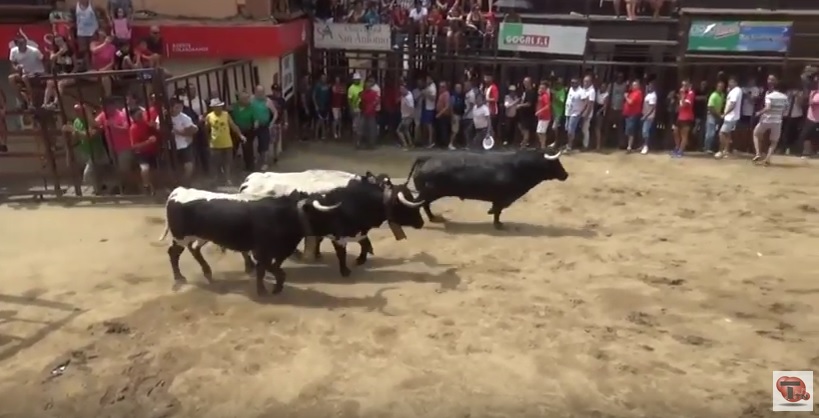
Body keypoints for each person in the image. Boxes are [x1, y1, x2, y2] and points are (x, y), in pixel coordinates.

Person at [64, 104, 106, 194]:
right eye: (75, 110)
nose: (77, 112)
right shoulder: (77, 121)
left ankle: (99, 189)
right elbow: (76, 137)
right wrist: (69, 133)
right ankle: (99, 190)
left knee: (88, 176)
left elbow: (90, 135)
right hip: (85, 151)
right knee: (94, 174)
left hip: (96, 151)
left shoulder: (91, 121)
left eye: (79, 110)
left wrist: (74, 131)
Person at [205, 98, 245, 185]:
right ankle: (217, 178)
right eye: (216, 107)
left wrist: (240, 135)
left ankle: (227, 178)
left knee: (227, 162)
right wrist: (208, 140)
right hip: (215, 144)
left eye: (220, 106)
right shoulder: (209, 116)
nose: (218, 108)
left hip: (227, 142)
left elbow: (233, 126)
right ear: (213, 108)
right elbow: (207, 129)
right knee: (216, 163)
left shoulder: (226, 115)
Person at [95, 98, 132, 190]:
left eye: (107, 106)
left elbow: (128, 129)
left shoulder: (122, 115)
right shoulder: (104, 115)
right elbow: (95, 123)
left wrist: (114, 127)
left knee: (123, 168)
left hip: (125, 147)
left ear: (113, 106)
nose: (105, 109)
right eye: (104, 107)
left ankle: (124, 187)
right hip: (112, 148)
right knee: (116, 167)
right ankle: (120, 187)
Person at [752, 75, 788, 165]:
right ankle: (767, 159)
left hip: (766, 119)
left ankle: (758, 153)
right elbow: (786, 109)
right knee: (774, 141)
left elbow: (768, 107)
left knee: (756, 134)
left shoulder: (769, 95)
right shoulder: (784, 97)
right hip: (777, 121)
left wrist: (759, 113)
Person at [163, 98, 198, 185]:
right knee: (172, 167)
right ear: (170, 108)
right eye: (177, 107)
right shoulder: (164, 117)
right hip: (170, 146)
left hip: (184, 144)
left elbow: (193, 130)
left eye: (180, 107)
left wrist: (180, 132)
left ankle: (185, 182)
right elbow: (159, 129)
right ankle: (174, 183)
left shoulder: (185, 118)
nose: (179, 109)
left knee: (188, 165)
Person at [8, 35, 46, 108]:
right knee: (11, 78)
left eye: (24, 42)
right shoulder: (13, 51)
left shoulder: (34, 51)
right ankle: (21, 101)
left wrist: (44, 72)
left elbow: (44, 59)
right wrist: (16, 67)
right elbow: (13, 63)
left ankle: (31, 102)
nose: (23, 45)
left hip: (36, 73)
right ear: (17, 44)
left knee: (25, 78)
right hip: (24, 72)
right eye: (20, 43)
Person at [129, 107, 159, 195]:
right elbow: (134, 146)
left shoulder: (147, 124)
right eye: (139, 115)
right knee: (145, 169)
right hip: (141, 153)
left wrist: (155, 127)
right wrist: (148, 142)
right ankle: (146, 186)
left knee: (153, 171)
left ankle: (153, 187)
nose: (141, 116)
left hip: (152, 151)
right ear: (133, 117)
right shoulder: (133, 128)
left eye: (142, 114)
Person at [231, 91, 259, 171]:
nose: (247, 100)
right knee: (233, 148)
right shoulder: (235, 107)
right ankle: (229, 167)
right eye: (245, 98)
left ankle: (249, 167)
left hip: (247, 130)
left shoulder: (251, 107)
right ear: (240, 99)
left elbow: (256, 118)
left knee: (247, 148)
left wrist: (256, 123)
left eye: (248, 98)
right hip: (236, 130)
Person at [717, 77, 743, 159]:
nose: (729, 84)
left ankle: (721, 151)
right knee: (728, 134)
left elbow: (732, 104)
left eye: (731, 82)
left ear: (735, 82)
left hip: (731, 117)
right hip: (731, 116)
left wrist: (725, 114)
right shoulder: (734, 91)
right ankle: (726, 151)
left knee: (722, 133)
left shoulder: (735, 91)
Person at [252, 85, 276, 171]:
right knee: (254, 144)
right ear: (255, 92)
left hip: (264, 126)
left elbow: (275, 113)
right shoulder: (252, 99)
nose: (260, 94)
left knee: (264, 146)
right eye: (258, 92)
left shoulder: (267, 101)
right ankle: (255, 160)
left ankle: (264, 162)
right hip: (254, 126)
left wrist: (271, 123)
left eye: (262, 92)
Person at [672, 80, 695, 157]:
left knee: (684, 135)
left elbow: (685, 105)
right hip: (680, 117)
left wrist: (682, 96)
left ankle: (680, 151)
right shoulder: (683, 94)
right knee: (675, 132)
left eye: (685, 85)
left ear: (688, 86)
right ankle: (677, 147)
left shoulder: (690, 94)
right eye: (682, 85)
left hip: (687, 117)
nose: (683, 87)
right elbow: (679, 107)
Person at [703, 81, 725, 154]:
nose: (720, 88)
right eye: (719, 86)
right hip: (711, 116)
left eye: (722, 87)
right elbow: (710, 107)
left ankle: (710, 148)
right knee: (710, 133)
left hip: (717, 116)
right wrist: (718, 115)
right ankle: (706, 148)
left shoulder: (722, 95)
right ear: (716, 87)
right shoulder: (713, 95)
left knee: (714, 133)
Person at [800, 76, 819, 159]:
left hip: (817, 119)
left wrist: (811, 94)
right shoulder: (816, 92)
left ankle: (813, 152)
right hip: (810, 117)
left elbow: (811, 103)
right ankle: (807, 152)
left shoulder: (815, 93)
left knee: (815, 136)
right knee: (806, 135)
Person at [623, 80, 643, 153]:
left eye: (635, 85)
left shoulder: (638, 93)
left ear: (638, 86)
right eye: (632, 85)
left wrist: (626, 97)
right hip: (628, 114)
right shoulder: (632, 93)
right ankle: (628, 145)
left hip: (633, 114)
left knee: (631, 131)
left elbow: (630, 102)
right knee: (628, 130)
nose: (633, 86)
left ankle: (629, 146)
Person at [359, 78, 380, 149]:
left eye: (369, 85)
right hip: (364, 113)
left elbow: (377, 102)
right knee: (363, 129)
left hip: (371, 114)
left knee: (372, 129)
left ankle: (371, 144)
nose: (367, 86)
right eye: (366, 85)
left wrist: (371, 107)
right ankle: (363, 143)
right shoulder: (362, 93)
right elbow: (361, 103)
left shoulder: (374, 93)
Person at [563, 78, 583, 151]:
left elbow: (585, 101)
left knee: (571, 130)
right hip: (568, 112)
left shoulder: (581, 91)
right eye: (572, 82)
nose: (573, 84)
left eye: (574, 82)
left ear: (578, 83)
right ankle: (568, 143)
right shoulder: (571, 89)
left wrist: (581, 111)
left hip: (575, 113)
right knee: (567, 129)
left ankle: (570, 145)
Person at [517, 77, 537, 148]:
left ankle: (524, 143)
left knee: (526, 129)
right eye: (524, 82)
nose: (524, 83)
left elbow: (529, 104)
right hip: (522, 114)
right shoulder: (525, 91)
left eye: (526, 82)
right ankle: (525, 141)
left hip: (528, 114)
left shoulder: (531, 92)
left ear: (530, 83)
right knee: (520, 126)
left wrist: (520, 105)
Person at [579, 75, 596, 150]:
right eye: (584, 81)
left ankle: (585, 145)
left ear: (590, 82)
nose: (585, 83)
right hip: (580, 112)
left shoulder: (592, 91)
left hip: (586, 114)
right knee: (582, 129)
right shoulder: (583, 89)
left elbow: (590, 105)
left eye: (587, 81)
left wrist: (586, 114)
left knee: (585, 129)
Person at [640, 81, 657, 154]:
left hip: (649, 116)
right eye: (648, 86)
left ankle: (646, 146)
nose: (649, 88)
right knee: (644, 131)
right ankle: (643, 144)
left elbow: (652, 108)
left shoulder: (653, 96)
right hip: (646, 115)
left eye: (650, 86)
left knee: (645, 131)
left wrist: (645, 116)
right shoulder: (649, 94)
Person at [312, 73, 331, 140]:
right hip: (319, 106)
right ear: (320, 78)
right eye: (323, 78)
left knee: (324, 120)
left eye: (325, 78)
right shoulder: (317, 85)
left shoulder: (327, 86)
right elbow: (313, 96)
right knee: (319, 121)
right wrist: (316, 105)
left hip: (325, 106)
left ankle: (323, 135)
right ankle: (316, 136)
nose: (324, 79)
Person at [421, 75, 437, 147]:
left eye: (427, 79)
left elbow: (433, 98)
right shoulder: (428, 87)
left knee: (429, 126)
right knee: (426, 125)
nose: (426, 81)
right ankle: (427, 140)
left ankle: (431, 141)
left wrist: (426, 94)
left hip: (430, 108)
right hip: (426, 107)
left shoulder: (433, 87)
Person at [535, 81, 551, 149]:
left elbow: (547, 106)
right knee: (540, 132)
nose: (540, 89)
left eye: (542, 88)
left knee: (540, 132)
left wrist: (539, 111)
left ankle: (543, 146)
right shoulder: (541, 95)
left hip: (545, 117)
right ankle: (542, 145)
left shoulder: (545, 96)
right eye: (540, 88)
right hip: (541, 117)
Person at [347, 73, 364, 141]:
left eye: (358, 80)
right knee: (355, 126)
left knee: (361, 125)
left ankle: (359, 140)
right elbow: (349, 99)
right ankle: (355, 140)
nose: (357, 81)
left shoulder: (361, 85)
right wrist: (351, 108)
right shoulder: (351, 88)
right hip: (355, 108)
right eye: (356, 80)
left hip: (362, 108)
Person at [397, 84, 415, 149]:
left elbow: (411, 107)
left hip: (407, 116)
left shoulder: (408, 98)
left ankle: (405, 144)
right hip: (404, 115)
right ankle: (410, 144)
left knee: (399, 130)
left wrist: (411, 116)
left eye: (402, 89)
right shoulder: (406, 95)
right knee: (406, 130)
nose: (401, 91)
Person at [435, 81, 451, 149]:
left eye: (442, 87)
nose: (440, 88)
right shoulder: (441, 94)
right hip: (440, 114)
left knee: (443, 130)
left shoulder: (446, 94)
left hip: (444, 115)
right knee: (440, 129)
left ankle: (444, 144)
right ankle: (440, 143)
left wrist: (440, 113)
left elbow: (447, 106)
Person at [449, 83, 465, 149]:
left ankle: (455, 143)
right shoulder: (453, 96)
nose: (459, 89)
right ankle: (450, 143)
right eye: (458, 88)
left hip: (460, 114)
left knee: (458, 130)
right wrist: (452, 116)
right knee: (454, 130)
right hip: (455, 115)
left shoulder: (461, 96)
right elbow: (451, 106)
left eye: (460, 88)